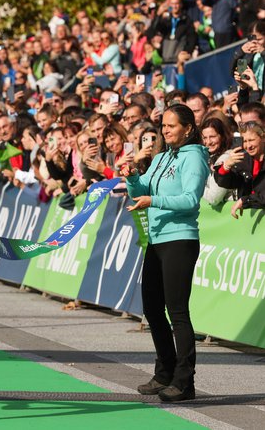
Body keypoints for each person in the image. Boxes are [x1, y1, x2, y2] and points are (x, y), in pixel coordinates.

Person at [123, 104, 210, 402]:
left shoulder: (195, 156)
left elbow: (190, 199)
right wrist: (133, 175)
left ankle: (185, 382)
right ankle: (165, 372)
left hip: (180, 240)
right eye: (163, 126)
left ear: (188, 128)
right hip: (156, 241)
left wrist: (154, 200)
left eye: (172, 125)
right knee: (151, 308)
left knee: (177, 312)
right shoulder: (160, 157)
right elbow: (139, 190)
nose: (165, 130)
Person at [214, 121, 265, 215]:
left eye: (251, 140)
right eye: (245, 141)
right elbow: (227, 183)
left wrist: (245, 201)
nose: (248, 146)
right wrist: (226, 166)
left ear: (263, 138)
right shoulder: (243, 160)